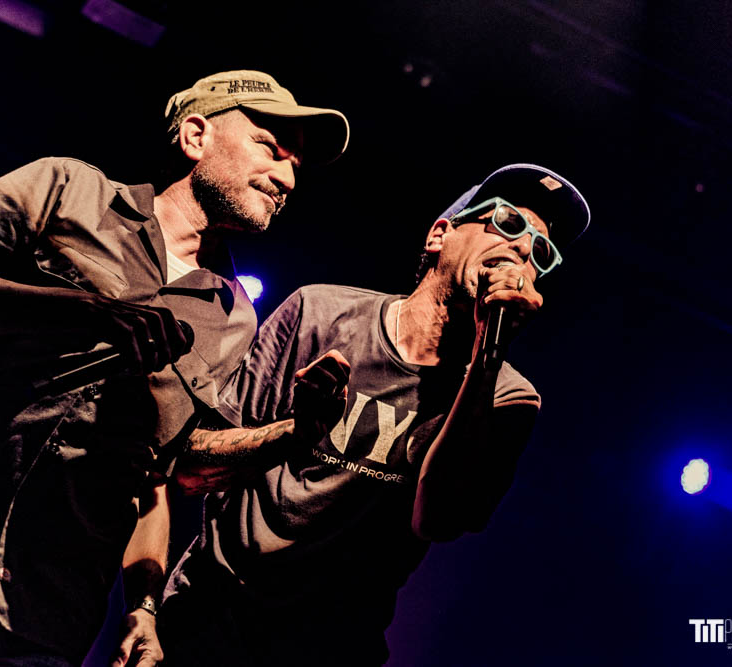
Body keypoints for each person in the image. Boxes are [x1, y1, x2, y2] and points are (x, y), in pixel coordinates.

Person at [0, 70, 348, 666]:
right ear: (196, 136)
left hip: (42, 621)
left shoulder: (234, 318)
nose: (286, 177)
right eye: (270, 147)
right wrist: (87, 311)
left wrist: (144, 607)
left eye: (296, 167)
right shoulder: (68, 187)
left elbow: (154, 475)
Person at [159, 164, 591, 666]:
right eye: (509, 223)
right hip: (204, 621)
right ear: (439, 234)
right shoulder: (318, 313)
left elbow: (440, 519)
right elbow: (192, 471)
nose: (523, 249)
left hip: (333, 646)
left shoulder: (509, 396)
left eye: (543, 251)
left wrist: (488, 352)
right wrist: (296, 433)